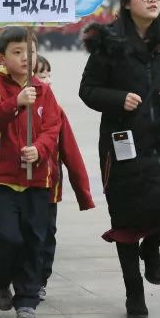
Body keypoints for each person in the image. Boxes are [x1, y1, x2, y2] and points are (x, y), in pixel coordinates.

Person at [79, 0, 160, 318]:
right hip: (124, 143)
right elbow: (88, 90)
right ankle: (134, 293)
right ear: (127, 2)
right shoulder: (109, 42)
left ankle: (154, 246)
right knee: (128, 217)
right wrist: (118, 99)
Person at [0, 27, 61, 318]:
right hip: (2, 179)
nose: (26, 58)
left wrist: (39, 149)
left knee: (34, 239)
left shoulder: (45, 90)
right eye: (17, 52)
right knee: (6, 237)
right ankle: (0, 278)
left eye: (31, 51)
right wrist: (16, 103)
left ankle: (27, 300)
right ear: (1, 58)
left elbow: (53, 127)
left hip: (37, 180)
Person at [33, 55, 95, 301]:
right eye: (40, 75)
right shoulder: (9, 104)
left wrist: (83, 192)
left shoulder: (56, 110)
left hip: (49, 187)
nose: (46, 80)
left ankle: (40, 280)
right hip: (18, 187)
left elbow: (70, 151)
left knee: (46, 236)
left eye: (48, 75)